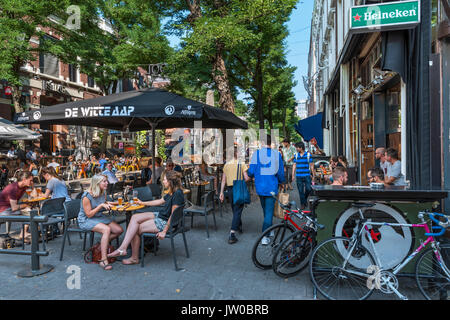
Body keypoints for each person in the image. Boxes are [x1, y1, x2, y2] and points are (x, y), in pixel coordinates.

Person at [107, 170, 185, 265]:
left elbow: (173, 215)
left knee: (134, 229)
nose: (163, 182)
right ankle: (123, 248)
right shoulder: (173, 191)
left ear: (170, 181)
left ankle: (133, 257)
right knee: (135, 217)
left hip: (164, 222)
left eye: (164, 180)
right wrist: (143, 203)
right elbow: (159, 201)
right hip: (161, 215)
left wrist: (164, 231)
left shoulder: (177, 194)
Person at [77, 174, 123, 270]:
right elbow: (89, 214)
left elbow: (103, 202)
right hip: (86, 220)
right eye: (104, 181)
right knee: (106, 229)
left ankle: (101, 244)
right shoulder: (86, 196)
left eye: (107, 181)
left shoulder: (103, 192)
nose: (107, 183)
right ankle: (103, 260)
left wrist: (117, 203)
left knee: (119, 230)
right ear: (97, 183)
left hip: (98, 217)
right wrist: (101, 206)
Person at [247, 135, 285, 245]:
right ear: (271, 143)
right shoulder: (276, 154)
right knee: (268, 211)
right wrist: (282, 182)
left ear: (261, 142)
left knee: (266, 210)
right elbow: (280, 173)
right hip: (272, 186)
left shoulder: (256, 154)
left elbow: (251, 172)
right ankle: (264, 236)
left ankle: (269, 230)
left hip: (260, 186)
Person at [220, 148, 250, 244]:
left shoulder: (226, 165)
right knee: (238, 210)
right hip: (238, 189)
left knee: (235, 209)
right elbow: (246, 178)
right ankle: (232, 234)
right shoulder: (241, 164)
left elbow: (223, 180)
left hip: (229, 190)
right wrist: (246, 180)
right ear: (236, 154)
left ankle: (239, 226)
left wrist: (221, 192)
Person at [0, 171, 33, 239]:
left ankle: (24, 233)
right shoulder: (13, 188)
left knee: (30, 211)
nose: (32, 182)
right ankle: (23, 233)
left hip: (9, 208)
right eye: (31, 180)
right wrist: (25, 205)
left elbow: (34, 195)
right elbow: (14, 208)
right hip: (3, 211)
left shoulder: (24, 186)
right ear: (24, 179)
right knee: (29, 213)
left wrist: (33, 186)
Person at [292, 142, 314, 210]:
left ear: (301, 148)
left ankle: (304, 199)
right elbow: (294, 165)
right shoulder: (296, 155)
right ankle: (303, 204)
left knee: (308, 189)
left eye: (297, 147)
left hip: (307, 175)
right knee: (300, 191)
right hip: (298, 175)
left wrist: (313, 175)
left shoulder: (308, 155)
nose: (296, 148)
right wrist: (293, 175)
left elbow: (311, 165)